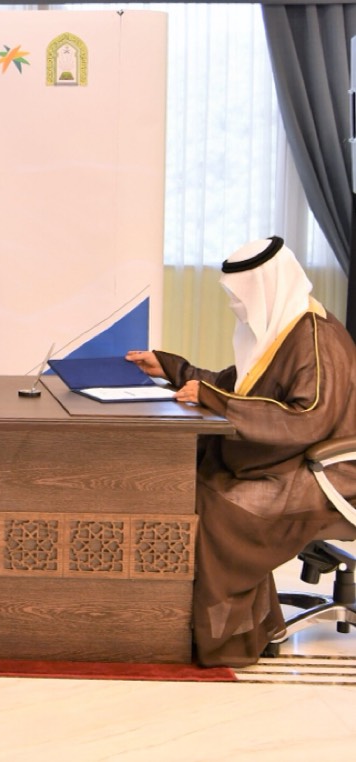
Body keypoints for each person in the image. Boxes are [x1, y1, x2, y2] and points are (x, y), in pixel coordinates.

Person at [125, 236, 356, 667]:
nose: (235, 304)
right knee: (189, 477)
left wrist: (213, 399)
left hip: (327, 473)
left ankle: (232, 639)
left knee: (218, 505)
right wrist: (173, 368)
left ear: (267, 286)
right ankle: (247, 622)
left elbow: (307, 418)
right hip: (292, 460)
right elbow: (237, 387)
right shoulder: (279, 331)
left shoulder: (315, 338)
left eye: (240, 294)